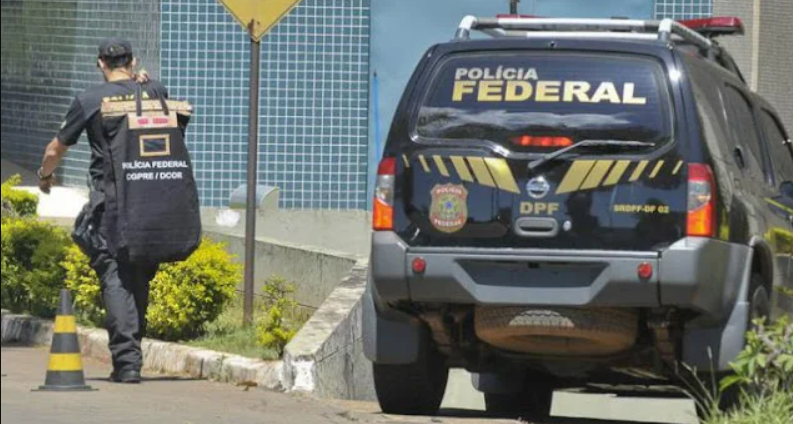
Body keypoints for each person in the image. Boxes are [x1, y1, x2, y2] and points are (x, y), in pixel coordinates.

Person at [37, 38, 168, 384]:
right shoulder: (153, 90)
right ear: (133, 61)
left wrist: (45, 176)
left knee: (113, 272)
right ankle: (131, 355)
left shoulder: (89, 100)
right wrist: (146, 84)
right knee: (137, 273)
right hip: (151, 197)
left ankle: (127, 363)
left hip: (111, 200)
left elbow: (56, 148)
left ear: (100, 64)